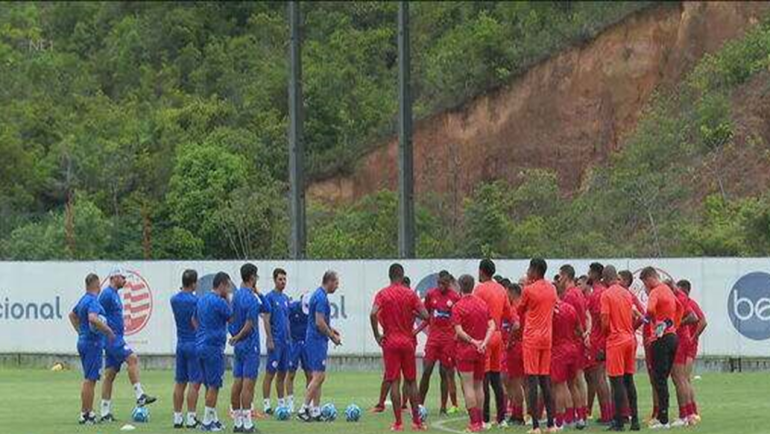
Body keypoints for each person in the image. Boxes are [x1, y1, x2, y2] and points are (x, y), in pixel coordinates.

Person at [370, 263, 430, 431]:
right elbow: (426, 316)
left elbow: (373, 313)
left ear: (389, 276)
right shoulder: (410, 294)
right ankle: (417, 422)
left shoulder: (383, 294)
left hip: (390, 342)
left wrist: (377, 335)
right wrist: (413, 314)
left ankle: (398, 423)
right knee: (411, 382)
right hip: (407, 341)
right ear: (402, 276)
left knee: (394, 381)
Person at [98, 267, 156, 422]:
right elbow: (96, 314)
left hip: (115, 338)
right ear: (114, 277)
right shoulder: (106, 294)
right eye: (122, 278)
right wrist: (105, 332)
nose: (125, 280)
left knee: (109, 375)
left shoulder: (115, 294)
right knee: (132, 358)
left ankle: (104, 413)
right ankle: (140, 395)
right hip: (112, 339)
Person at [69, 273, 115, 425]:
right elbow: (93, 318)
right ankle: (87, 414)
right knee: (90, 380)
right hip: (92, 344)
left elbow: (72, 315)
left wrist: (80, 332)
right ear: (97, 285)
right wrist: (108, 330)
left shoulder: (83, 299)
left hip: (83, 342)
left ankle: (86, 412)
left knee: (89, 378)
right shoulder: (94, 301)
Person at [518, 258, 558, 433]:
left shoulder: (528, 290)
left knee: (532, 381)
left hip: (532, 339)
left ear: (534, 270)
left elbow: (519, 310)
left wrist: (527, 284)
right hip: (546, 338)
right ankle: (551, 424)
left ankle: (535, 426)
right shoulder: (552, 288)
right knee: (545, 381)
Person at [453, 274, 496, 433]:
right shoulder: (482, 304)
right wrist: (483, 342)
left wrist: (473, 341)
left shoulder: (458, 306)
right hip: (481, 350)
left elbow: (458, 330)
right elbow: (492, 325)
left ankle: (474, 422)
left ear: (460, 286)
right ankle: (480, 421)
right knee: (479, 386)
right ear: (472, 286)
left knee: (468, 386)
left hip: (466, 350)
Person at [600, 266, 641, 431]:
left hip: (616, 341)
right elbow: (634, 314)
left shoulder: (606, 294)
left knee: (616, 382)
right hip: (629, 339)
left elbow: (604, 320)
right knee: (629, 380)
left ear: (604, 279)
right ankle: (635, 420)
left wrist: (606, 334)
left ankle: (618, 421)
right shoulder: (626, 293)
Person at [298, 271, 342, 422]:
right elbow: (319, 322)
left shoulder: (318, 295)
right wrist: (332, 336)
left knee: (319, 376)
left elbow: (320, 320)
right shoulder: (321, 297)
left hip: (316, 339)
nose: (337, 286)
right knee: (318, 376)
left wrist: (331, 329)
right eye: (336, 283)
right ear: (329, 281)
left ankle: (316, 411)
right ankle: (304, 409)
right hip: (317, 340)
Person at [229, 263, 268, 433]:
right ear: (252, 277)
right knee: (248, 385)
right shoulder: (251, 298)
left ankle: (237, 422)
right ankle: (247, 423)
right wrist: (238, 336)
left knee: (237, 383)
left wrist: (235, 337)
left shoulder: (236, 296)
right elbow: (250, 324)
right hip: (250, 345)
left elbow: (266, 308)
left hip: (238, 347)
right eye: (256, 276)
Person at [641, 267, 681, 429]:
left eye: (645, 283)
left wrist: (654, 324)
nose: (645, 287)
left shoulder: (656, 291)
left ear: (650, 279)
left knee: (659, 379)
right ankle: (663, 416)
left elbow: (650, 309)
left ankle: (663, 420)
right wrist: (672, 325)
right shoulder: (668, 290)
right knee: (663, 378)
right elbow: (680, 308)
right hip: (672, 337)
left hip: (661, 339)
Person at [418, 270, 461, 415]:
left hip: (448, 341)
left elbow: (459, 320)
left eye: (444, 283)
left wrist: (456, 336)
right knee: (427, 370)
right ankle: (419, 404)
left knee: (445, 372)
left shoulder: (455, 297)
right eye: (439, 283)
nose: (441, 286)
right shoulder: (431, 295)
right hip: (433, 340)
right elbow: (426, 316)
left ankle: (443, 406)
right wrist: (416, 331)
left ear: (449, 283)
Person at [473, 259, 510, 427]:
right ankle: (502, 418)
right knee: (496, 378)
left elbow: (475, 312)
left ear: (481, 271)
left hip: (486, 336)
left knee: (484, 379)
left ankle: (486, 419)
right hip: (498, 336)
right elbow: (508, 312)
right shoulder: (501, 289)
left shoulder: (479, 289)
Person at [196, 271, 233, 432]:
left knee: (208, 384)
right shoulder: (220, 302)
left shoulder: (202, 299)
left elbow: (194, 319)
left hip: (200, 345)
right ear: (222, 284)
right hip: (213, 347)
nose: (229, 290)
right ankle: (206, 422)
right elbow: (232, 318)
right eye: (228, 286)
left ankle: (214, 419)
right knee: (214, 385)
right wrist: (228, 300)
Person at [558, 264, 589, 429]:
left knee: (569, 382)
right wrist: (587, 332)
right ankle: (581, 415)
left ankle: (571, 417)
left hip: (571, 342)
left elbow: (571, 322)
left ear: (565, 276)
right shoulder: (579, 293)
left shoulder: (569, 296)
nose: (559, 280)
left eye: (560, 276)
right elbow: (586, 316)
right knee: (577, 381)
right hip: (578, 341)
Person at [170, 269, 202, 428]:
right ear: (194, 283)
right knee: (194, 382)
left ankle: (177, 417)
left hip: (180, 343)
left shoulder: (174, 300)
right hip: (194, 343)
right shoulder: (196, 301)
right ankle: (191, 417)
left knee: (180, 382)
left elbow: (179, 295)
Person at [550, 278, 583, 430]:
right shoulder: (570, 308)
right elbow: (579, 330)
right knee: (573, 384)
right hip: (572, 349)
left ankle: (560, 420)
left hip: (558, 351)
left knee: (560, 386)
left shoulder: (550, 311)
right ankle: (579, 417)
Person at [585, 262, 611, 424]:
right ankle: (607, 413)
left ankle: (607, 414)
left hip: (598, 341)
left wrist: (601, 344)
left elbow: (602, 321)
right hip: (600, 339)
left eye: (589, 272)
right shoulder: (602, 292)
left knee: (599, 378)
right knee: (600, 378)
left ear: (595, 274)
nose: (587, 274)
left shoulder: (598, 294)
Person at [669, 280, 698, 427]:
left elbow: (695, 318)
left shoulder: (678, 298)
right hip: (683, 340)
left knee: (679, 378)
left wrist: (676, 325)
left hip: (680, 341)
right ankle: (690, 414)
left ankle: (684, 416)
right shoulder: (681, 297)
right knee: (682, 379)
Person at [263, 268, 291, 414]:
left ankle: (281, 403)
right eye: (280, 279)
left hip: (286, 342)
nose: (283, 282)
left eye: (284, 279)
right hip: (276, 341)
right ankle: (266, 404)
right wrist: (269, 339)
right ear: (275, 280)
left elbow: (287, 321)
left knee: (282, 373)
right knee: (270, 373)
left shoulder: (286, 298)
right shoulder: (269, 298)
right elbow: (266, 320)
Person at [678, 280, 706, 423]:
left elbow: (703, 321)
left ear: (685, 291)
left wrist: (693, 337)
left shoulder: (690, 303)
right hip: (686, 343)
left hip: (688, 345)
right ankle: (693, 411)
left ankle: (692, 413)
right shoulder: (685, 302)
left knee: (684, 378)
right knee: (685, 379)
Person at [503, 282, 525, 426]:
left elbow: (516, 326)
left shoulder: (515, 308)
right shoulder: (523, 307)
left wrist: (509, 341)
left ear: (512, 292)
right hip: (523, 346)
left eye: (507, 293)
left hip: (516, 347)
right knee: (517, 381)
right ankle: (519, 414)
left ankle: (518, 415)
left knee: (515, 382)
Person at [287, 292, 311, 413]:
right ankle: (290, 403)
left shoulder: (312, 309)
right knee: (291, 374)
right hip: (294, 343)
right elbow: (284, 320)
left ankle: (309, 402)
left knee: (310, 374)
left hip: (307, 344)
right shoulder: (292, 307)